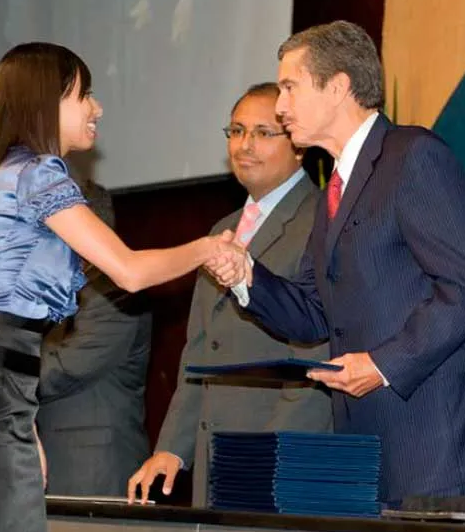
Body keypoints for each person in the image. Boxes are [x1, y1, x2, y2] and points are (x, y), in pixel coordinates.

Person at [0, 42, 239, 532]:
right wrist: (209, 248)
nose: (96, 108)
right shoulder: (38, 173)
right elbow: (130, 272)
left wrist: (26, 427)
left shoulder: (8, 172)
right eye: (83, 94)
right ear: (46, 101)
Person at [207, 21, 465, 504]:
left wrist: (382, 365)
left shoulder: (413, 156)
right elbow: (315, 311)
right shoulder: (335, 190)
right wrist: (246, 275)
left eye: (290, 88)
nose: (280, 106)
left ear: (338, 86)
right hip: (366, 446)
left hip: (431, 447)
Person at [127, 83, 332, 506]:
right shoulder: (222, 227)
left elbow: (319, 351)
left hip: (277, 456)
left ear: (298, 146)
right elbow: (201, 348)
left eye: (261, 132)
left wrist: (273, 451)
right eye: (236, 131)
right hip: (215, 455)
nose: (244, 145)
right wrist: (172, 448)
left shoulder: (322, 221)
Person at [36, 182, 153, 497]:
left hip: (91, 471)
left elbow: (65, 369)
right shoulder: (55, 289)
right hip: (48, 464)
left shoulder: (116, 293)